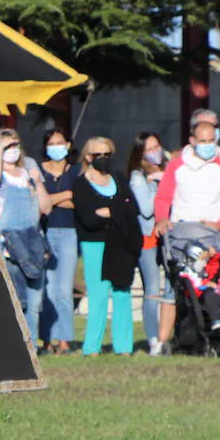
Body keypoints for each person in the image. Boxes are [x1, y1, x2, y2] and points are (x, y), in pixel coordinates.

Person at [153, 120, 220, 347]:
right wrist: (162, 219)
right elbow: (164, 197)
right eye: (203, 141)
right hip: (181, 237)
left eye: (211, 141)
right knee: (173, 289)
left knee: (218, 284)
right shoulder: (177, 166)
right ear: (192, 141)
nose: (208, 145)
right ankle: (162, 342)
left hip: (214, 237)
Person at [0, 128, 53, 345]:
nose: (13, 151)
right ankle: (12, 348)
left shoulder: (27, 174)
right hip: (7, 247)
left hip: (33, 244)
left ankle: (32, 350)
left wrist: (37, 183)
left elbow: (46, 208)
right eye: (8, 146)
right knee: (15, 303)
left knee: (34, 302)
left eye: (15, 145)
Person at [71, 137, 142, 355]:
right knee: (99, 294)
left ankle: (124, 346)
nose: (102, 159)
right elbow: (88, 219)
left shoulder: (119, 179)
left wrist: (110, 212)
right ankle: (92, 347)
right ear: (88, 157)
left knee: (122, 293)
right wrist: (117, 210)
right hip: (95, 245)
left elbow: (133, 209)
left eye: (107, 155)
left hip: (120, 243)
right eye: (97, 155)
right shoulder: (80, 184)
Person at [38, 129, 80, 354]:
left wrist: (50, 199)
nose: (56, 147)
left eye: (60, 142)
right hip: (43, 233)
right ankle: (46, 339)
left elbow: (80, 201)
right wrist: (65, 195)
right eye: (51, 143)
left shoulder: (75, 171)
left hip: (68, 232)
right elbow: (38, 201)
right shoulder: (38, 171)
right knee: (47, 288)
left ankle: (64, 340)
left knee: (64, 289)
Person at [127, 132, 169, 353]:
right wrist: (159, 186)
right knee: (152, 289)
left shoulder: (168, 168)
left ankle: (169, 335)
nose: (155, 152)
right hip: (148, 238)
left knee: (171, 288)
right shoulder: (138, 177)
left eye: (157, 147)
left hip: (170, 236)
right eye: (149, 149)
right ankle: (153, 338)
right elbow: (146, 209)